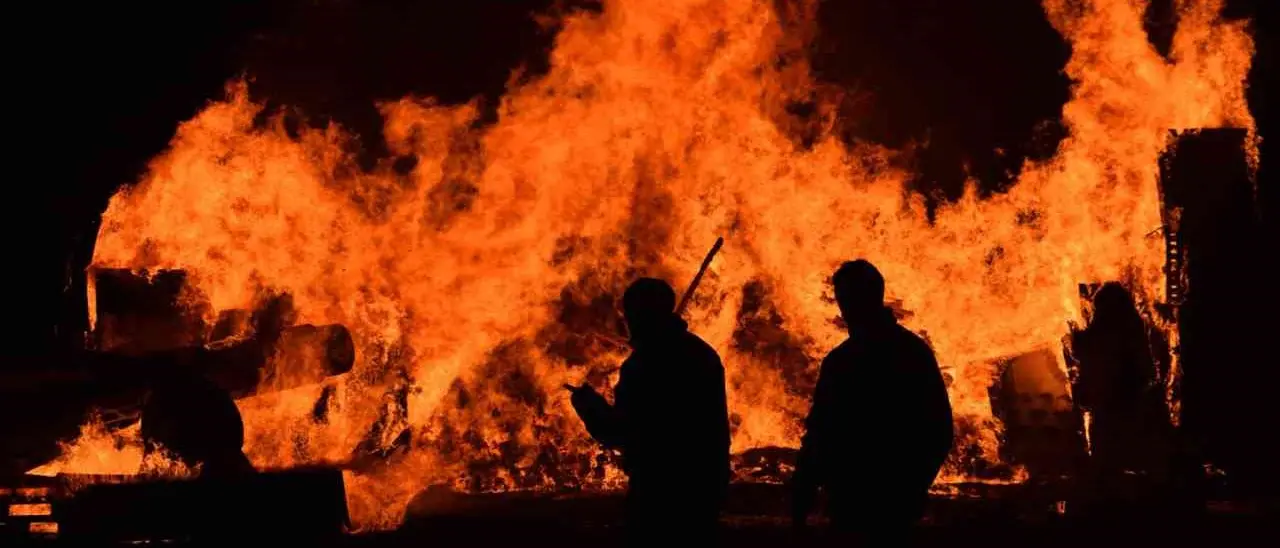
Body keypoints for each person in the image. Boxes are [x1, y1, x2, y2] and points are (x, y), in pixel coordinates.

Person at [791, 260, 953, 543]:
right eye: (843, 299)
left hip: (867, 505)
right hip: (873, 505)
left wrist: (803, 498)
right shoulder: (910, 353)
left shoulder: (848, 361)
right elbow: (821, 433)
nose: (845, 308)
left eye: (849, 298)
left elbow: (820, 434)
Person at [568, 278, 730, 544]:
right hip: (705, 486)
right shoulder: (702, 353)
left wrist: (589, 406)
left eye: (631, 313)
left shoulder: (645, 364)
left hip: (658, 490)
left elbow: (624, 432)